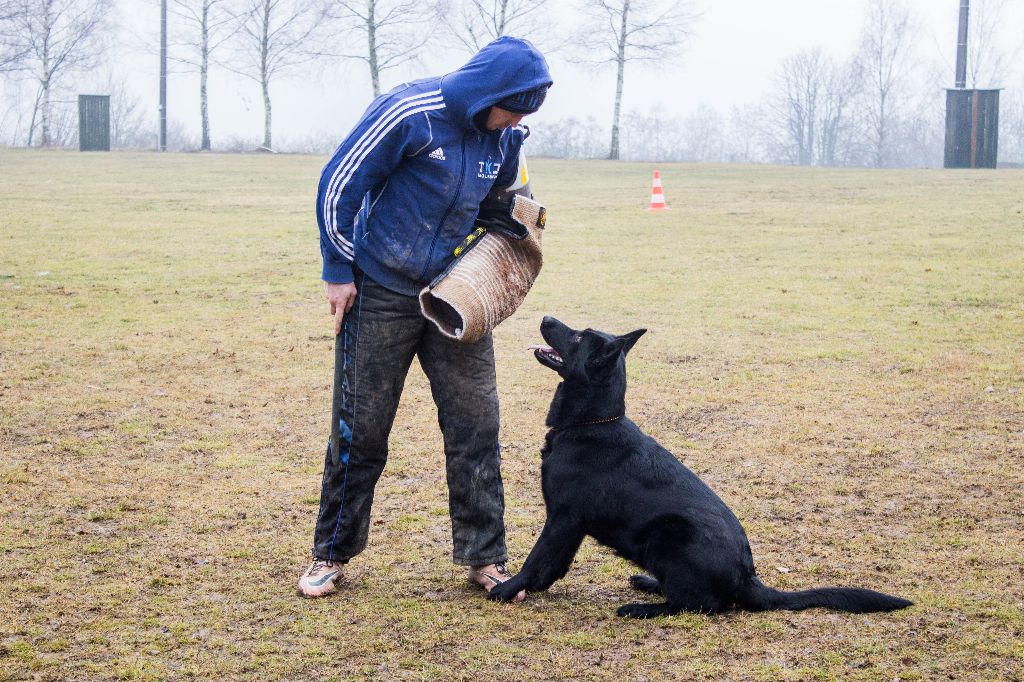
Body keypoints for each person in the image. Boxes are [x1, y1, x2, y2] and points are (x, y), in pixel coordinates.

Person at [298, 36, 552, 599]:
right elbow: (339, 182)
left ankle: (486, 558)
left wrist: (509, 220)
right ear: (486, 92)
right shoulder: (410, 111)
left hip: (454, 297)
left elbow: (502, 196)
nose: (516, 121)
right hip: (379, 290)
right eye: (512, 108)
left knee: (476, 426)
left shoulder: (506, 137)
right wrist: (337, 269)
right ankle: (331, 552)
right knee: (361, 429)